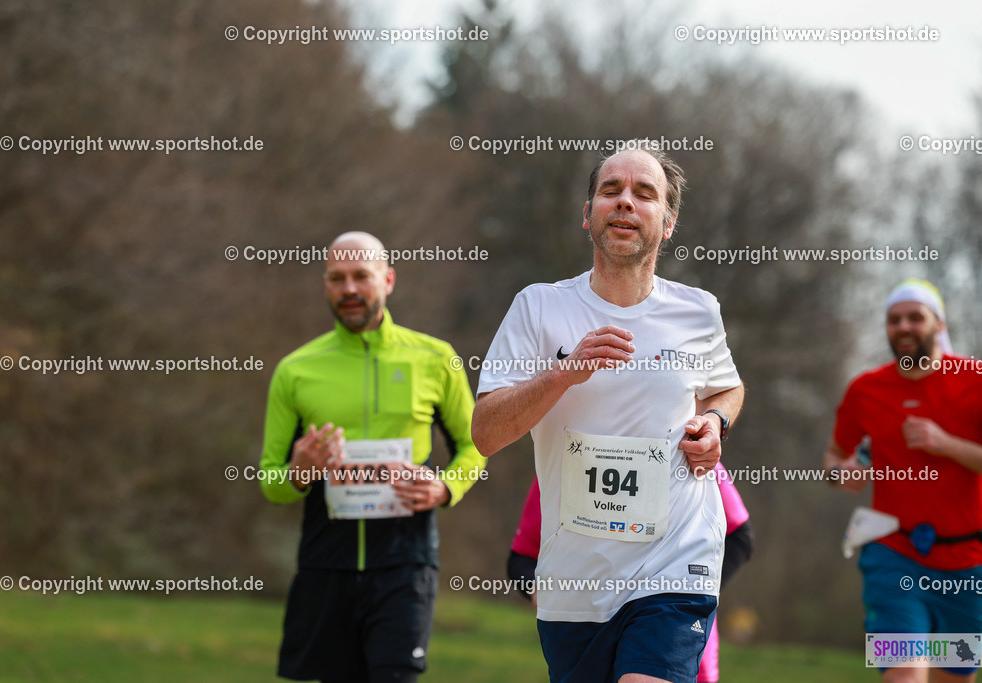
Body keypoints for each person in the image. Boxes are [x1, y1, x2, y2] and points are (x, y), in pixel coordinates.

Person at [473, 144, 745, 683]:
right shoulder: (538, 307)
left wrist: (715, 424)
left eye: (644, 194)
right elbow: (484, 433)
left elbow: (727, 389)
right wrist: (562, 374)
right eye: (610, 190)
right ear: (587, 213)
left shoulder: (698, 310)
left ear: (667, 223)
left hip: (676, 563)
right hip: (575, 583)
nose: (625, 202)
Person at [258, 231, 486, 683]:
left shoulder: (436, 358)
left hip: (405, 560)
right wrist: (300, 473)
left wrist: (446, 487)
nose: (349, 290)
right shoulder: (296, 369)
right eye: (336, 278)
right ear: (325, 284)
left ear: (388, 280)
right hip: (327, 563)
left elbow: (475, 445)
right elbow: (270, 480)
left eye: (361, 276)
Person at [824, 278, 982, 683]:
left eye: (915, 317)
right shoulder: (865, 390)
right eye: (894, 319)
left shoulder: (981, 381)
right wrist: (838, 474)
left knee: (953, 676)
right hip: (891, 556)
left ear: (939, 324)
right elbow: (834, 455)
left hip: (968, 564)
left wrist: (946, 444)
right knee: (904, 672)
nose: (903, 326)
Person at [507, 465, 754, 682]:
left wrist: (687, 589)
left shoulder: (692, 450)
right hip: (586, 636)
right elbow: (521, 559)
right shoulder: (564, 459)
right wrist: (542, 591)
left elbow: (740, 536)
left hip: (674, 635)